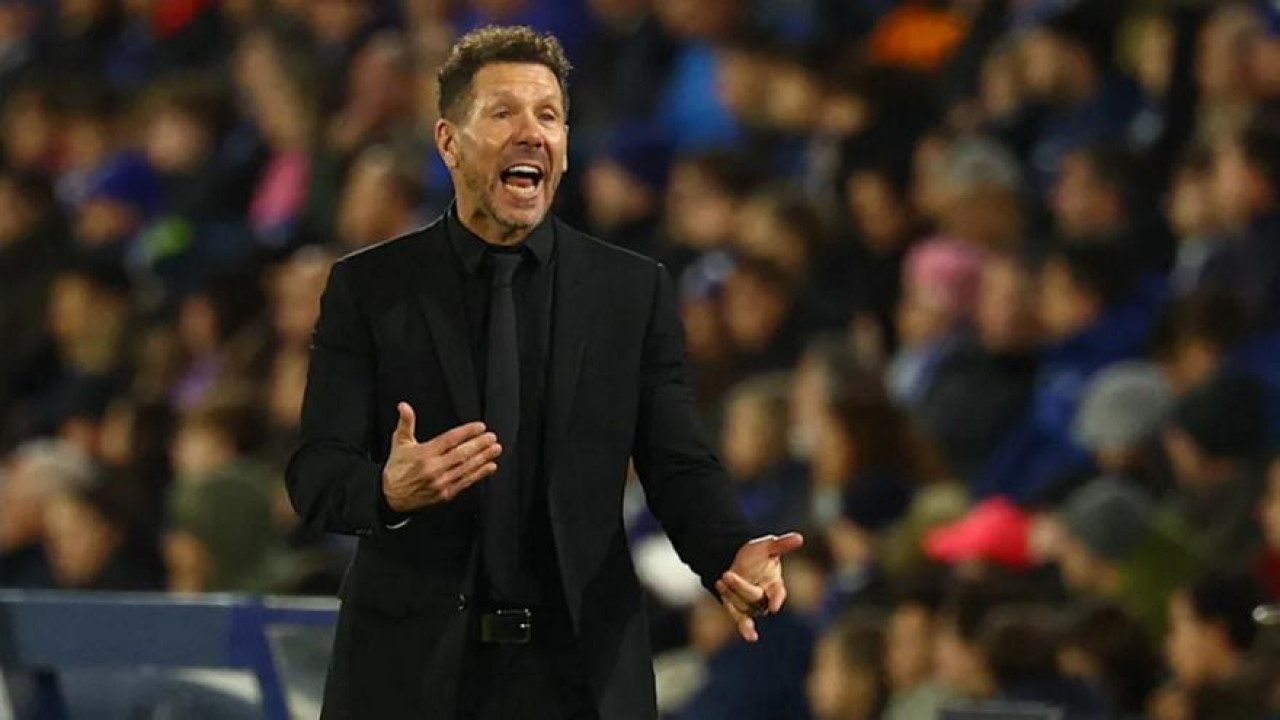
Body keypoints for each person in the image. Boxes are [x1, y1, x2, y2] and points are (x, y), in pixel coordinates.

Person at [286, 26, 803, 720]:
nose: (531, 132)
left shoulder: (630, 290)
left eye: (549, 115)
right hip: (411, 675)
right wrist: (387, 489)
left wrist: (727, 552)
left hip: (578, 676)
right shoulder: (371, 288)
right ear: (449, 142)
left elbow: (677, 461)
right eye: (503, 113)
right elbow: (316, 473)